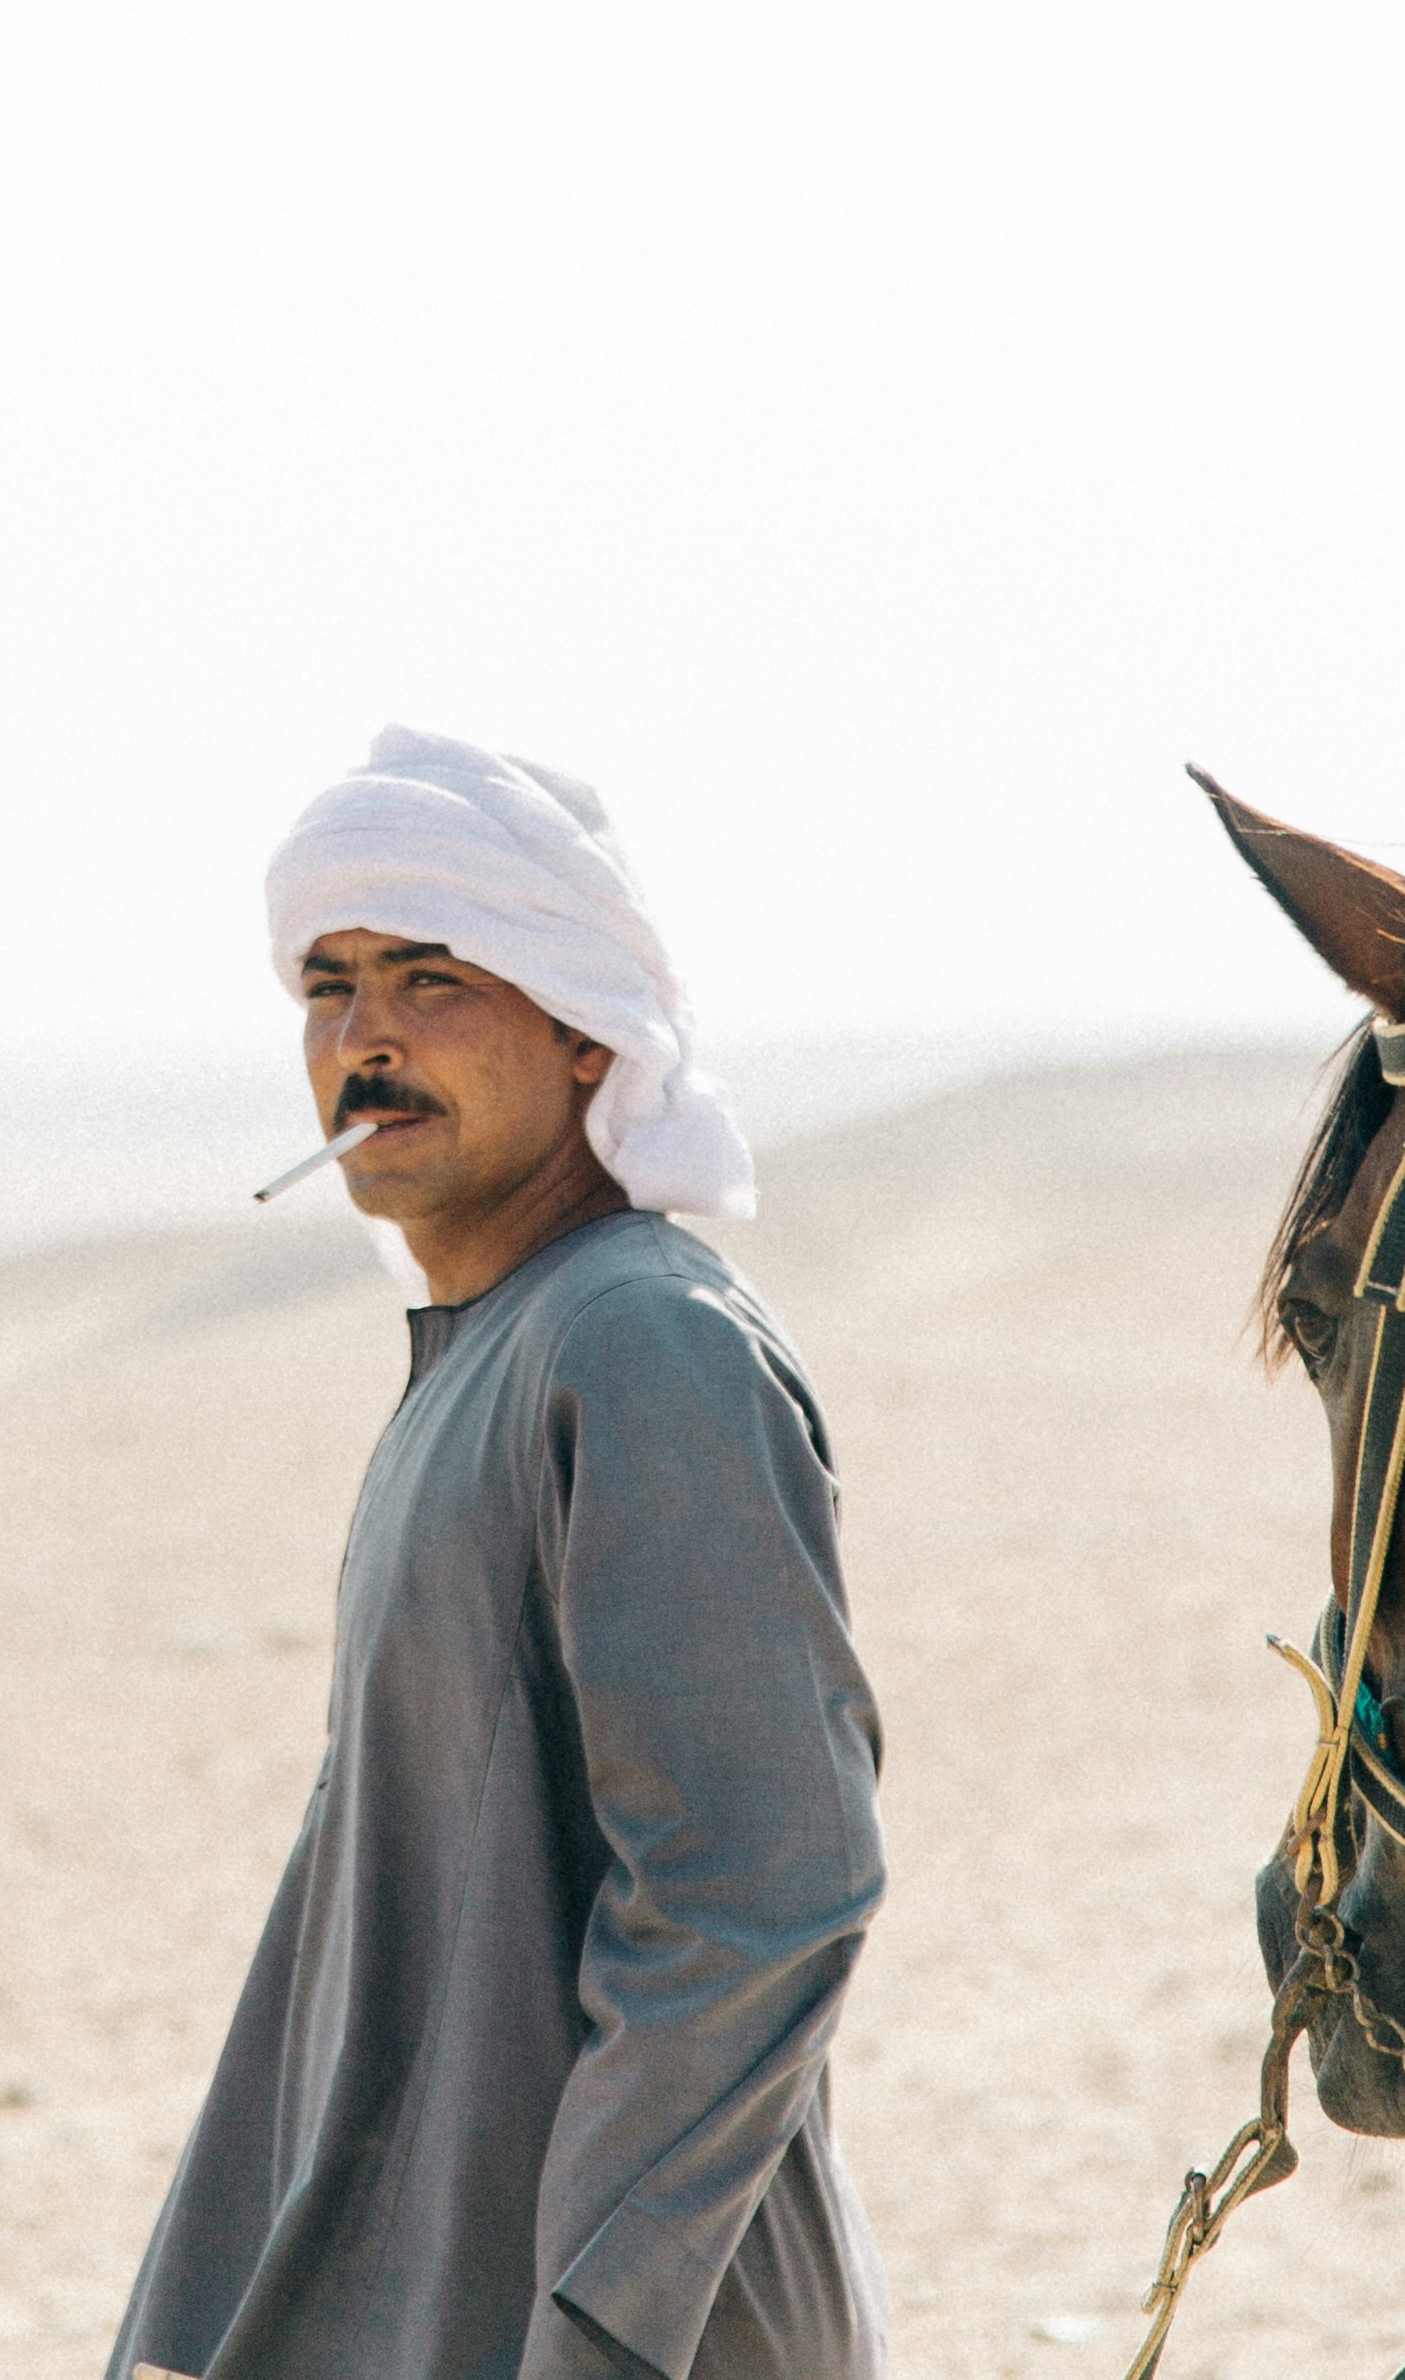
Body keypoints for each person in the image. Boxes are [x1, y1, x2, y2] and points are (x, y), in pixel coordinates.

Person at [111, 726, 888, 2380]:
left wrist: (597, 2330)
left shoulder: (641, 1343)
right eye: (328, 990)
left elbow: (756, 1895)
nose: (364, 1039)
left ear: (589, 1035)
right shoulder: (495, 1347)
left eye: (432, 979)